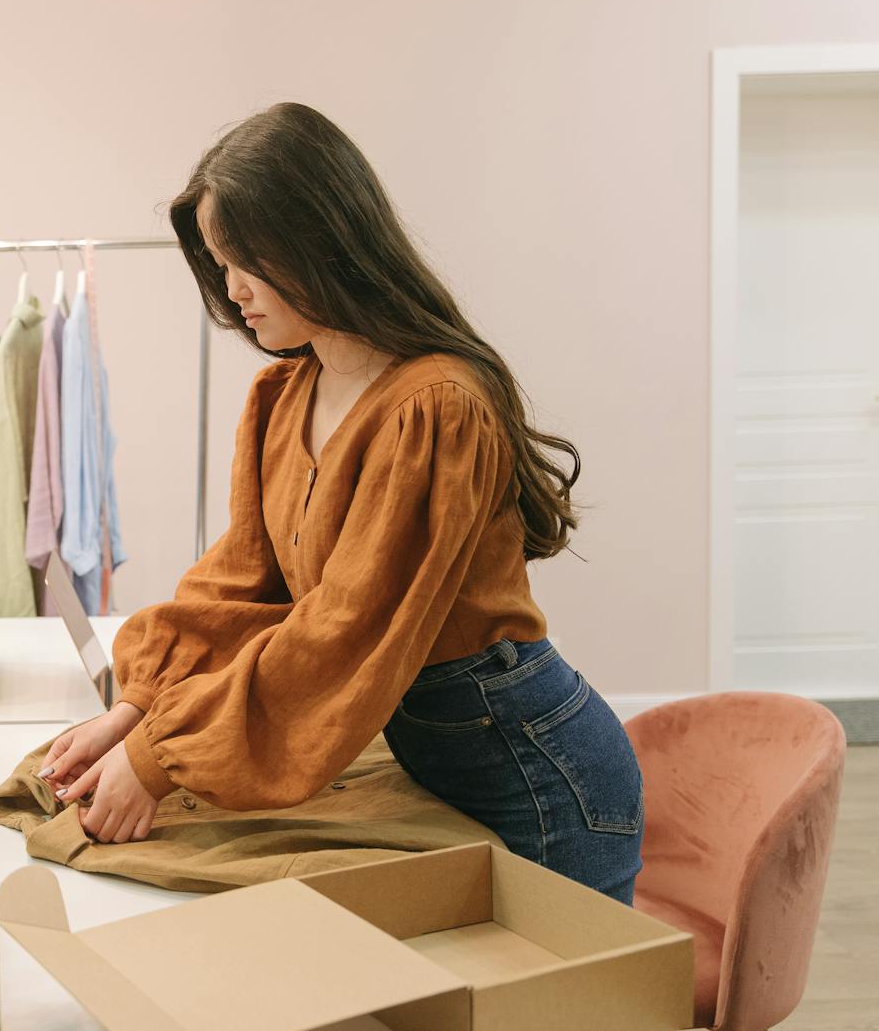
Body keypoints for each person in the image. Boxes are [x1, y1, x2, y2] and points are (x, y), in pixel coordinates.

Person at [41, 103, 644, 904]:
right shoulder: (282, 395)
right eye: (220, 265)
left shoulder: (437, 409)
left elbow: (339, 633)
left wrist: (159, 757)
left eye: (246, 261)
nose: (233, 290)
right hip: (437, 761)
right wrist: (138, 708)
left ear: (318, 241)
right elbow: (241, 589)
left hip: (539, 778)